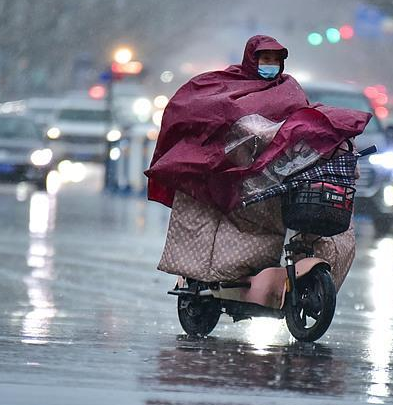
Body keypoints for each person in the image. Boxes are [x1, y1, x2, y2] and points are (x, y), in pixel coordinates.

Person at [145, 35, 371, 288]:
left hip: (271, 173)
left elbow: (299, 121)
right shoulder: (225, 84)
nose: (271, 64)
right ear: (252, 59)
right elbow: (207, 112)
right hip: (238, 168)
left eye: (276, 60)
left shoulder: (288, 88)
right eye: (265, 59)